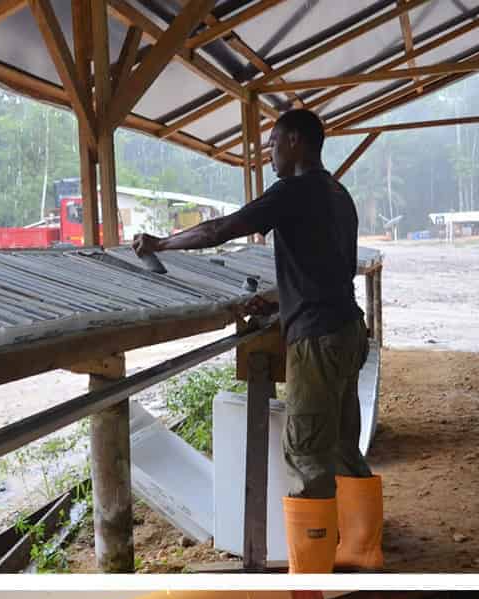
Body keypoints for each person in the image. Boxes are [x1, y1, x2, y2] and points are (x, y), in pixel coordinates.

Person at [132, 108, 379, 573]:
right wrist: (280, 304)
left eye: (273, 144)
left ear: (296, 142)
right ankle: (362, 552)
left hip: (317, 340)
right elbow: (329, 271)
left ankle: (312, 572)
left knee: (307, 452)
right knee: (343, 445)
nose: (269, 154)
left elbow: (220, 229)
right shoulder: (338, 194)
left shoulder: (293, 192)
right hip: (347, 329)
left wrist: (161, 244)